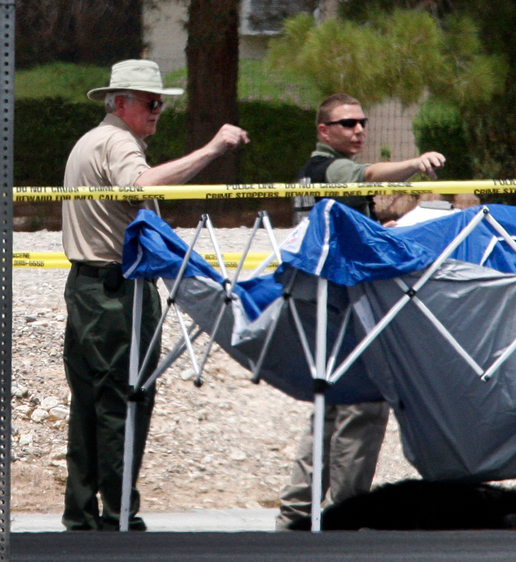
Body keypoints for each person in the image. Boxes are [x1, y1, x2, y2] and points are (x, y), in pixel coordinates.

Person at [61, 59, 249, 531]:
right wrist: (212, 148)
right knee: (126, 396)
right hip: (115, 289)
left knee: (90, 398)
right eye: (150, 102)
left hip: (90, 285)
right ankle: (118, 511)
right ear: (119, 102)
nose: (158, 110)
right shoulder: (118, 143)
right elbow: (140, 184)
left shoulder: (92, 141)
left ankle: (83, 511)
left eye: (161, 102)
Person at [277, 93, 445, 530]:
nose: (358, 130)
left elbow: (341, 230)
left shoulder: (311, 174)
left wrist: (379, 227)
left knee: (327, 408)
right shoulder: (330, 168)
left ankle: (296, 516)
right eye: (347, 123)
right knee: (362, 405)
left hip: (320, 308)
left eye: (362, 122)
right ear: (323, 131)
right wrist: (415, 163)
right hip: (345, 307)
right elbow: (366, 174)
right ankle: (345, 519)